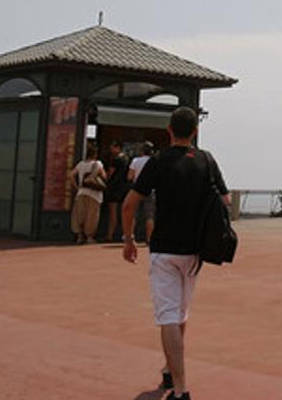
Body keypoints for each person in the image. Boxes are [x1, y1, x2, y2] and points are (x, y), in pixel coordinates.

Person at [122, 107, 230, 400]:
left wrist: (129, 238)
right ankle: (170, 369)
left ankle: (181, 389)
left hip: (164, 249)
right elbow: (226, 200)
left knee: (168, 315)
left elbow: (130, 204)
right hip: (194, 252)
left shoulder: (158, 162)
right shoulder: (206, 160)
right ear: (194, 131)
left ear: (169, 130)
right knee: (180, 313)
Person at [70, 145, 107, 244]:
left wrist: (77, 187)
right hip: (94, 194)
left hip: (81, 192)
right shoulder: (98, 163)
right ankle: (90, 237)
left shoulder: (81, 164)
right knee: (92, 216)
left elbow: (71, 175)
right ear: (95, 154)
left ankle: (79, 236)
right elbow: (104, 176)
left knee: (79, 215)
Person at [128, 141, 156, 243]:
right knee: (150, 215)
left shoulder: (135, 161)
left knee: (133, 214)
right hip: (151, 190)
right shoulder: (154, 161)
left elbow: (130, 176)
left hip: (137, 189)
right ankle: (149, 239)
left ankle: (130, 237)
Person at [104, 141, 130, 241]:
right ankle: (125, 234)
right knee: (124, 212)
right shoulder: (126, 158)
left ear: (117, 148)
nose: (111, 150)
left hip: (114, 188)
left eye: (112, 148)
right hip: (124, 188)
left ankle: (109, 236)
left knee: (113, 213)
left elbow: (110, 174)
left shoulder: (116, 160)